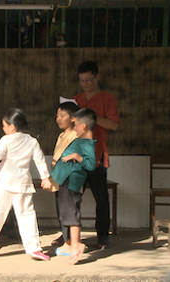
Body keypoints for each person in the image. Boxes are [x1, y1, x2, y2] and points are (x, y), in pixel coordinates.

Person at [0, 108, 52, 261]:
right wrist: (45, 178)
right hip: (23, 185)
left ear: (12, 127)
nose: (3, 128)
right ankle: (34, 248)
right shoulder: (32, 141)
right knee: (27, 216)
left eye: (4, 125)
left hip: (4, 184)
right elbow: (40, 160)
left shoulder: (6, 140)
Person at [73, 61, 121, 249]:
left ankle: (102, 235)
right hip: (76, 156)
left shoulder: (107, 99)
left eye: (88, 80)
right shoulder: (76, 99)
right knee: (72, 197)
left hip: (97, 155)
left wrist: (93, 118)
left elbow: (114, 125)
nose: (85, 84)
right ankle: (69, 234)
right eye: (82, 81)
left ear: (97, 77)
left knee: (101, 198)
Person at [50, 108, 97, 265]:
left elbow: (91, 165)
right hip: (65, 180)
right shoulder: (80, 141)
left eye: (76, 124)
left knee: (71, 212)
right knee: (66, 212)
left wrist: (77, 157)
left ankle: (76, 245)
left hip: (72, 181)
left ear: (83, 126)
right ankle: (72, 244)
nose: (74, 127)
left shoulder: (88, 143)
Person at [50, 102, 80, 254]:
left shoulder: (75, 135)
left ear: (73, 118)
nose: (58, 119)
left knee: (69, 211)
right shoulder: (62, 135)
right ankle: (68, 242)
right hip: (59, 180)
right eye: (57, 116)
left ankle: (72, 244)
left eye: (63, 116)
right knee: (62, 211)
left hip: (68, 180)